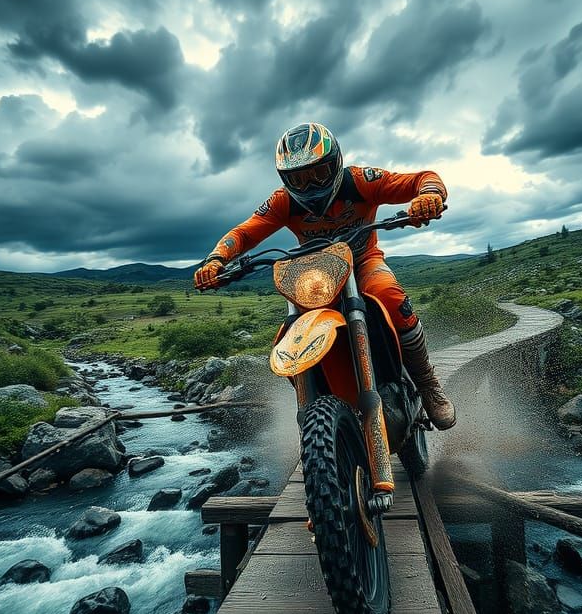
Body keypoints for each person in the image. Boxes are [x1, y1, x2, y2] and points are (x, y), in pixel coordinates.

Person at [194, 121, 456, 430]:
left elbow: (423, 179)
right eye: (298, 179)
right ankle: (321, 402)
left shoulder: (360, 181)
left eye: (318, 173)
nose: (309, 186)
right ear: (285, 179)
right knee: (294, 331)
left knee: (390, 297)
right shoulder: (283, 201)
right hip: (319, 274)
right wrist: (216, 259)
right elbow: (244, 233)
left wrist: (428, 195)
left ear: (335, 164)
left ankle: (428, 384)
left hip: (364, 262)